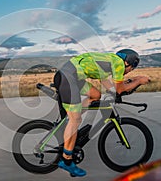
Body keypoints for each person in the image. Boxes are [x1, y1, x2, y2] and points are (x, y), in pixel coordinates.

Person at [53, 49, 150, 177]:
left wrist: (122, 88)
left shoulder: (109, 62)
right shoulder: (118, 64)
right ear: (127, 62)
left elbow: (111, 88)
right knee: (76, 120)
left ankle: (72, 116)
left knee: (95, 95)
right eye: (132, 68)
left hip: (72, 78)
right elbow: (120, 90)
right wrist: (138, 80)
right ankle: (66, 160)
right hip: (68, 79)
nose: (130, 71)